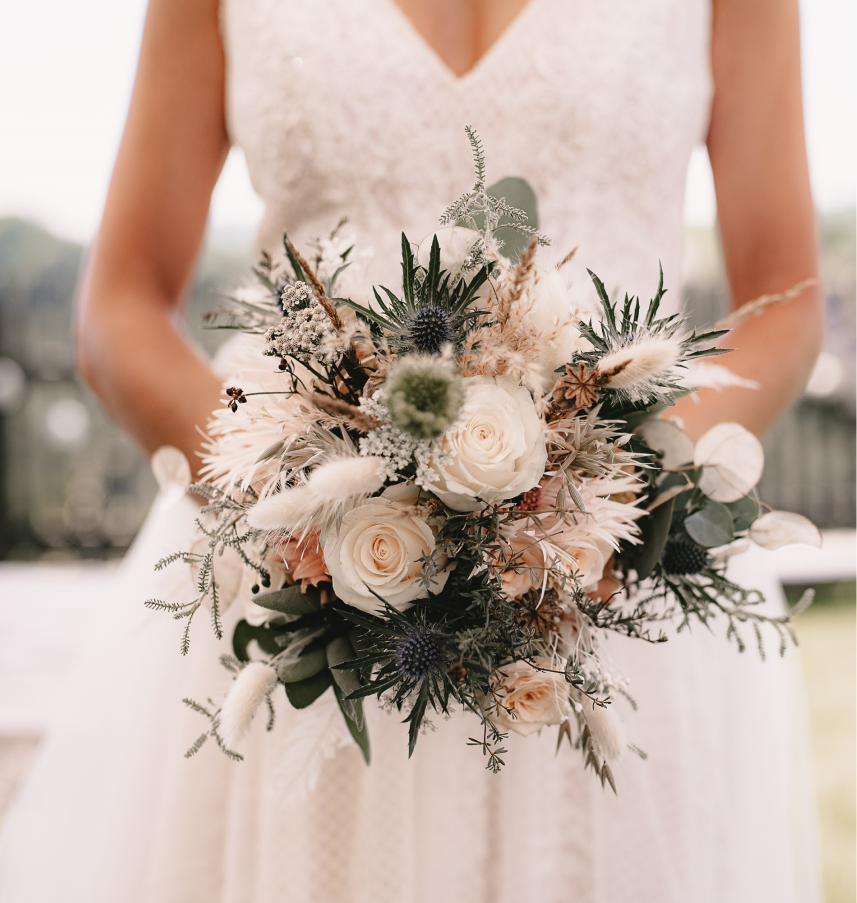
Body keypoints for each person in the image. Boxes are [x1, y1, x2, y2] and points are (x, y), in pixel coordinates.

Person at [0, 0, 824, 901]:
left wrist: (601, 500)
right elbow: (120, 306)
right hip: (294, 604)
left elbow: (783, 300)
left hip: (613, 604)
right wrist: (297, 503)